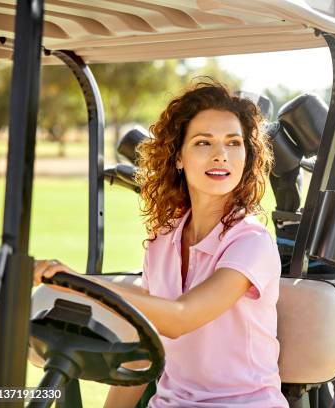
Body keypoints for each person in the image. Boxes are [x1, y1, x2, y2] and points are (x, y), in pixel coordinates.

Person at [33, 80, 289, 408]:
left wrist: (84, 286)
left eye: (233, 142)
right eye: (203, 143)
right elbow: (145, 344)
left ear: (247, 156)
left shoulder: (250, 242)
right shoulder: (164, 238)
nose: (220, 156)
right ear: (178, 157)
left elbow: (181, 317)